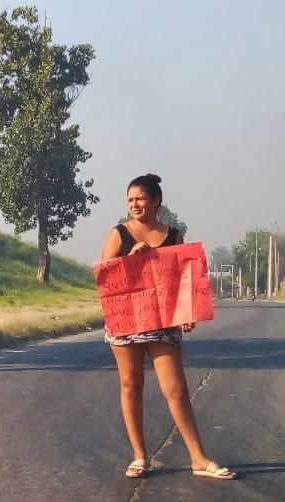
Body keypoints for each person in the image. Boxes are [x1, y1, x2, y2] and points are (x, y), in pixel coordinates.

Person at [100, 173, 235, 481]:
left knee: (176, 389)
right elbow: (105, 278)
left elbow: (183, 279)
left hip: (162, 322)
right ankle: (139, 456)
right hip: (127, 322)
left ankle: (198, 457)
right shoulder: (119, 233)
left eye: (140, 198)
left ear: (156, 201)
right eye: (130, 199)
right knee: (131, 386)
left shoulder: (174, 235)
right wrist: (130, 260)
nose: (134, 204)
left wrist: (187, 311)